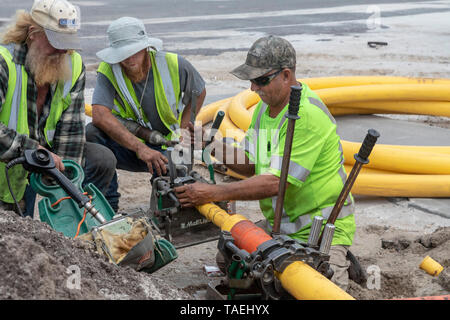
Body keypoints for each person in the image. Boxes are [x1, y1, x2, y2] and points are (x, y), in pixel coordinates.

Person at [174, 35, 356, 291]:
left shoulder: (306, 115)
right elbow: (249, 162)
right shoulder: (264, 109)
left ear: (286, 75)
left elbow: (276, 183)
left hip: (321, 232)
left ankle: (341, 260)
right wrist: (208, 143)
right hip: (279, 227)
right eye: (251, 80)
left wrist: (214, 192)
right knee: (229, 259)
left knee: (319, 290)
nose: (253, 89)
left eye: (261, 80)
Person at [0, 0, 116, 217]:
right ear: (33, 33)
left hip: (39, 160)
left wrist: (68, 189)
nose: (63, 49)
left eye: (67, 41)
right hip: (8, 164)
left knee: (101, 159)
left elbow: (71, 134)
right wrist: (35, 151)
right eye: (55, 41)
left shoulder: (72, 63)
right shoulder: (3, 63)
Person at [86, 17, 206, 212]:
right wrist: (140, 147)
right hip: (131, 145)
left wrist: (183, 129)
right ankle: (106, 205)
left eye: (134, 52)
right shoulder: (109, 70)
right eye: (123, 54)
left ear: (145, 48)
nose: (129, 58)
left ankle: (167, 204)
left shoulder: (174, 64)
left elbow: (198, 92)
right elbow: (99, 115)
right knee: (92, 133)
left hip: (169, 144)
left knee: (177, 177)